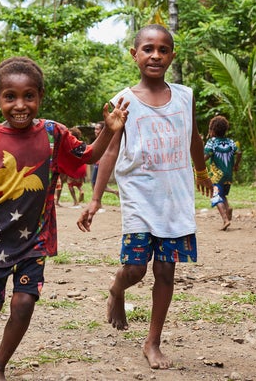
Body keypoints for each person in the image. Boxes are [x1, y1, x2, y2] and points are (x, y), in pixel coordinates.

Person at [0, 56, 128, 381]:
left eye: (29, 96)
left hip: (35, 239)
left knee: (24, 304)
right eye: (10, 97)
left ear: (40, 96)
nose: (20, 105)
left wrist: (110, 132)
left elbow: (88, 156)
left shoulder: (53, 133)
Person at [77, 24, 213, 370]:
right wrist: (95, 200)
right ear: (134, 54)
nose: (155, 55)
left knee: (166, 270)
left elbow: (194, 136)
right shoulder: (121, 101)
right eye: (148, 49)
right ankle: (117, 289)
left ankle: (152, 342)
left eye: (163, 49)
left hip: (175, 198)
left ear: (172, 55)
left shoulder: (185, 95)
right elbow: (108, 152)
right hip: (139, 196)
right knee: (137, 268)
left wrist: (201, 171)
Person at [204, 115, 241, 230]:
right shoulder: (230, 142)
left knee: (215, 195)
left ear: (212, 131)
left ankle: (225, 219)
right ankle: (228, 208)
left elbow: (206, 156)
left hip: (217, 175)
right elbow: (239, 152)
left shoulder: (212, 142)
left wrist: (198, 163)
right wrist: (236, 165)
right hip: (229, 175)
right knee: (222, 195)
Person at [56, 126, 87, 207]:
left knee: (65, 183)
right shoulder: (79, 144)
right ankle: (74, 200)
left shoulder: (68, 143)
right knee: (72, 183)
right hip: (74, 166)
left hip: (64, 165)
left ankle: (57, 201)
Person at [89, 121, 117, 196]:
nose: (95, 131)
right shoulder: (98, 140)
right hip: (97, 163)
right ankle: (114, 192)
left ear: (103, 130)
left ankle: (97, 201)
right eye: (95, 129)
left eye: (97, 129)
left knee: (96, 184)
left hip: (101, 164)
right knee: (96, 184)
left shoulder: (107, 140)